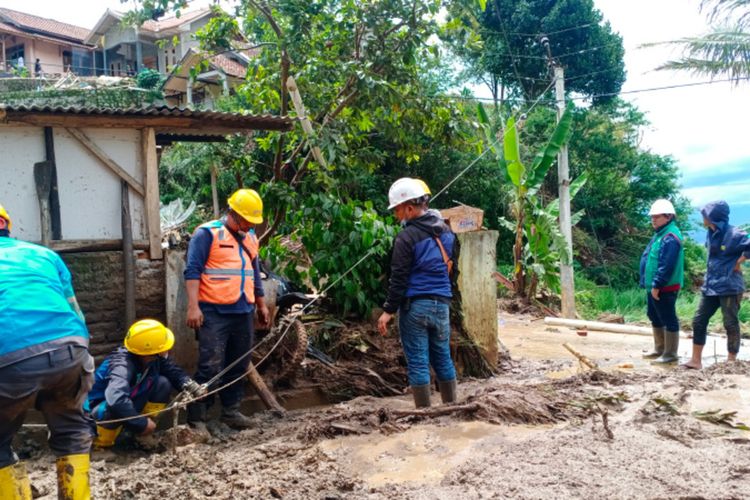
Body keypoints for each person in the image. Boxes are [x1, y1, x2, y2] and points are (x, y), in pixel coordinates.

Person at [0, 203, 93, 499]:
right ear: (7, 226)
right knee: (71, 432)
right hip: (70, 350)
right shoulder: (44, 254)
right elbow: (76, 313)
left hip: (10, 357)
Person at [184, 189, 270, 429]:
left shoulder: (251, 237)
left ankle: (231, 412)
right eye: (247, 220)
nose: (251, 225)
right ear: (233, 214)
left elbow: (254, 274)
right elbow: (192, 272)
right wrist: (193, 307)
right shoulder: (206, 234)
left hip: (243, 310)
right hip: (214, 312)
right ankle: (197, 417)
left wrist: (261, 304)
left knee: (239, 363)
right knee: (210, 365)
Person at [377, 178, 457, 408]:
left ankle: (424, 414)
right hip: (442, 305)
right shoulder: (447, 232)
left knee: (419, 363)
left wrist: (388, 311)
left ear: (410, 208)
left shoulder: (406, 238)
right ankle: (452, 408)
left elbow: (399, 278)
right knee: (443, 357)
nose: (396, 215)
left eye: (398, 210)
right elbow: (453, 270)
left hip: (415, 308)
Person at [86, 319, 207, 448]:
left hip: (129, 403)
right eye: (164, 348)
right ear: (150, 353)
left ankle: (140, 434)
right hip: (97, 413)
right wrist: (141, 423)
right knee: (113, 406)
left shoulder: (152, 358)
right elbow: (116, 399)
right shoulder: (122, 366)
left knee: (163, 384)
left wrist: (191, 386)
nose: (167, 350)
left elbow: (173, 372)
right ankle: (100, 446)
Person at [683, 201, 750, 369]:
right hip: (711, 285)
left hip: (729, 285)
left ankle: (731, 362)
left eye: (705, 214)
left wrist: (739, 262)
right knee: (699, 320)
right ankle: (696, 361)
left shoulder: (735, 234)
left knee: (730, 323)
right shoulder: (710, 232)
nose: (702, 217)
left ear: (714, 217)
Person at [639, 199, 685, 364]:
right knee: (653, 315)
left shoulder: (670, 237)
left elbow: (667, 264)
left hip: (665, 286)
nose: (653, 220)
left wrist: (657, 285)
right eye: (652, 217)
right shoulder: (660, 234)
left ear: (668, 217)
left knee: (668, 318)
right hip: (654, 285)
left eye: (657, 217)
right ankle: (659, 348)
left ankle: (670, 353)